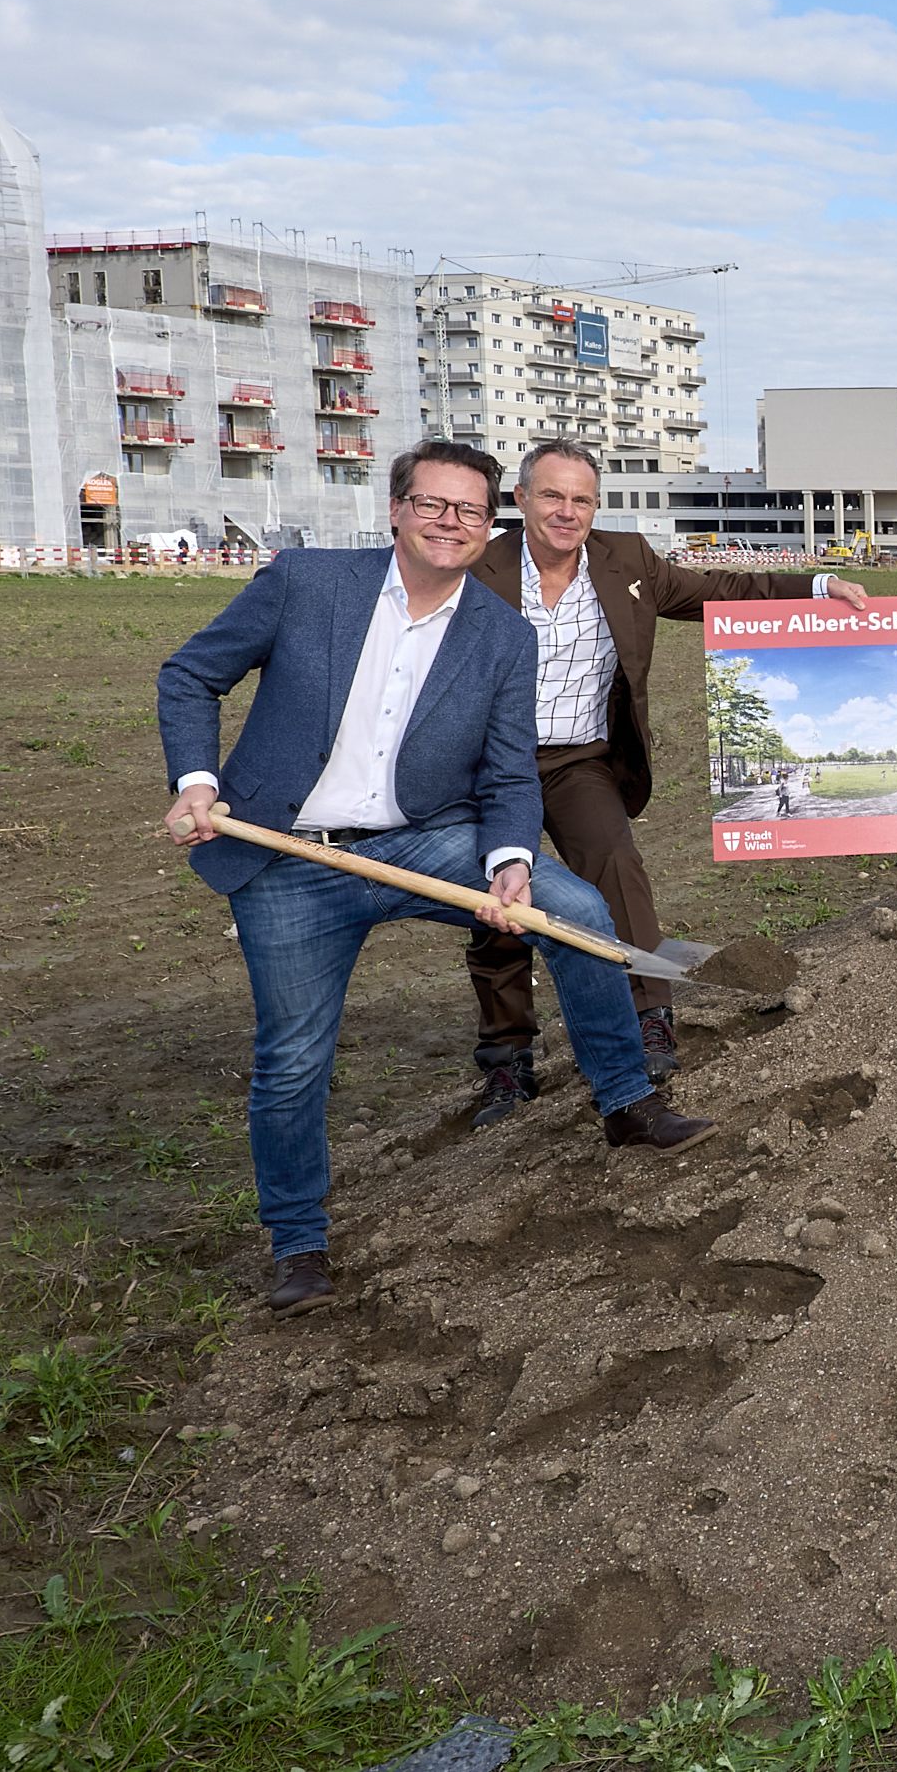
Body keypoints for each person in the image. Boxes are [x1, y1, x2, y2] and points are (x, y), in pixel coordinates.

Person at [156, 442, 717, 1317]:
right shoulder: (307, 582)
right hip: (289, 854)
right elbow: (190, 673)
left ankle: (626, 1101)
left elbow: (505, 770)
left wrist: (510, 862)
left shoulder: (500, 632)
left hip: (423, 839)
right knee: (294, 1058)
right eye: (433, 505)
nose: (450, 524)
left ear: (488, 520)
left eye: (467, 511)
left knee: (577, 908)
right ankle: (299, 1245)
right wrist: (196, 780)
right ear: (395, 509)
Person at [462, 441, 866, 1123]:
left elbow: (720, 590)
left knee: (617, 867)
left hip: (579, 760)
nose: (568, 511)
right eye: (553, 496)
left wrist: (818, 586)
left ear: (597, 505)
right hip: (486, 761)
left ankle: (651, 1016)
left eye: (582, 499)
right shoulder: (478, 566)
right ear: (522, 500)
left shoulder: (628, 562)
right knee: (494, 901)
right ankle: (507, 1062)